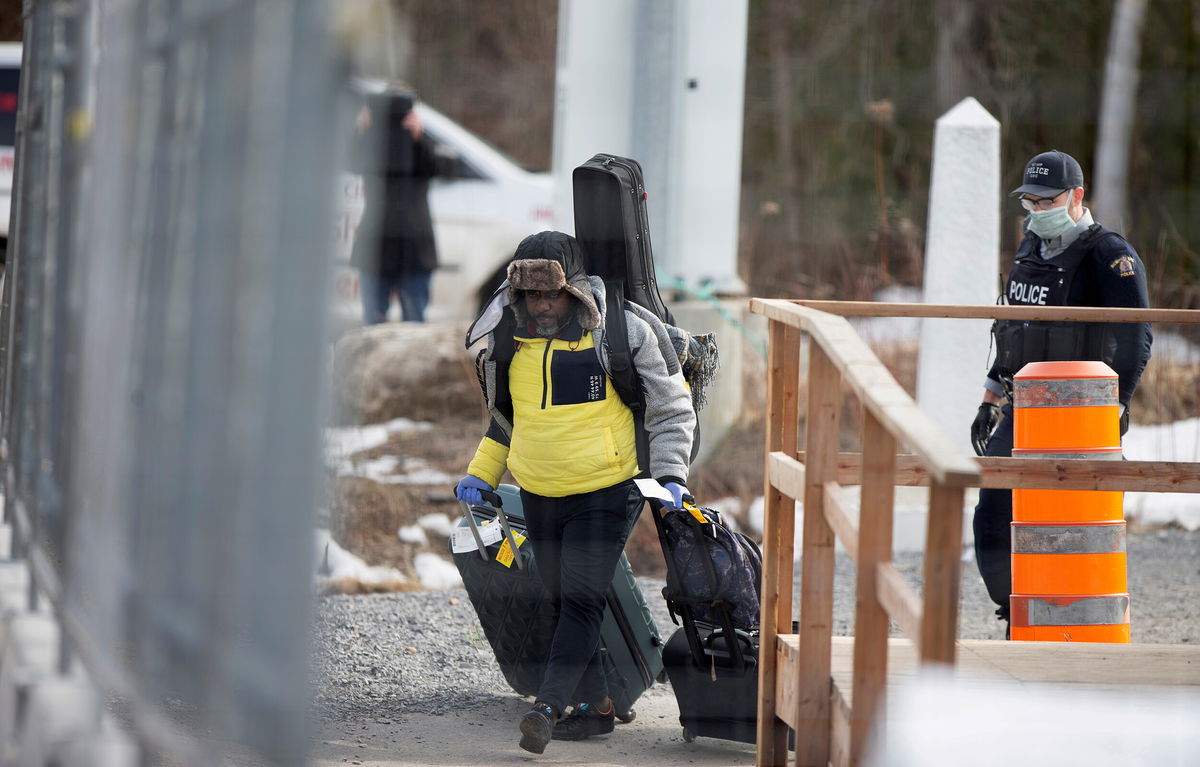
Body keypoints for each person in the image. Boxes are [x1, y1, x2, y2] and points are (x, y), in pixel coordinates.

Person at [454, 230, 695, 755]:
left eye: (552, 294)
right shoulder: (506, 343)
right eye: (531, 295)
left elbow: (672, 408)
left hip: (607, 488)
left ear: (577, 290)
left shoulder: (622, 332)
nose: (542, 306)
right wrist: (483, 474)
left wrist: (671, 474)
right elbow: (505, 423)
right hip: (539, 488)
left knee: (581, 601)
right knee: (561, 597)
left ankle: (549, 705)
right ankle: (597, 708)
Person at [970, 149, 1152, 636]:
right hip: (1023, 406)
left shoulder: (1109, 255)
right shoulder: (1029, 246)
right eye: (1029, 201)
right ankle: (1017, 613)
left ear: (1077, 196)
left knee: (1066, 524)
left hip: (1079, 412)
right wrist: (990, 398)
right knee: (992, 517)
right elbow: (1014, 328)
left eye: (1047, 201)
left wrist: (1116, 405)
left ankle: (1069, 624)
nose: (1037, 210)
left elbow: (1138, 337)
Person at [350, 84, 438, 323]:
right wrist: (362, 131)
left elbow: (434, 168)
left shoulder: (419, 140)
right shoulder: (371, 140)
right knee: (373, 321)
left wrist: (419, 136)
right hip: (376, 242)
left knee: (414, 323)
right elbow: (351, 164)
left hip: (415, 246)